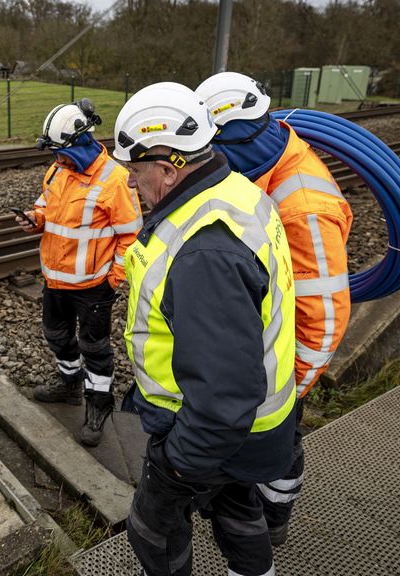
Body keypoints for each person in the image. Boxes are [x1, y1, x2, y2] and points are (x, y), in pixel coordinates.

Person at [112, 82, 298, 576]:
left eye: (135, 171)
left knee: (152, 527)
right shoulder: (234, 190)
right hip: (256, 426)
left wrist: (177, 465)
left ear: (169, 170)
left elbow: (222, 397)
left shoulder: (203, 254)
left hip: (211, 430)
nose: (131, 184)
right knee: (237, 509)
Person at [196, 71, 354, 545]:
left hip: (280, 371)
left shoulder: (303, 206)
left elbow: (324, 321)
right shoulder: (263, 157)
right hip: (259, 343)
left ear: (231, 134)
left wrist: (283, 393)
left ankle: (275, 514)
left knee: (280, 445)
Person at [15, 98, 142, 447]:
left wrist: (113, 278)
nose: (56, 159)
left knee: (95, 347)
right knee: (56, 335)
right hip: (55, 279)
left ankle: (98, 405)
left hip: (93, 287)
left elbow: (132, 236)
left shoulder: (115, 180)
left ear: (80, 141)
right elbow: (45, 204)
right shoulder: (58, 169)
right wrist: (34, 219)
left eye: (60, 152)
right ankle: (69, 383)